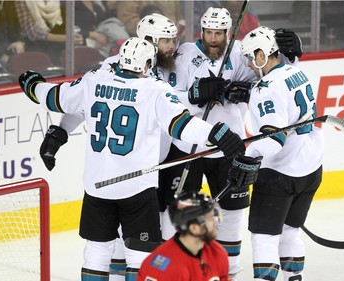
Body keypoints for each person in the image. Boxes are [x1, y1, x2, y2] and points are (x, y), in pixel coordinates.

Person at [18, 36, 246, 281]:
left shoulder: (94, 80)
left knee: (95, 255)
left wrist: (32, 83)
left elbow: (53, 98)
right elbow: (182, 127)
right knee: (139, 259)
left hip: (97, 187)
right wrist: (215, 133)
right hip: (137, 190)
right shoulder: (155, 90)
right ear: (148, 64)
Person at [160, 7, 304, 280]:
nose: (213, 39)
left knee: (233, 216)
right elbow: (161, 96)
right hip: (188, 148)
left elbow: (271, 80)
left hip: (230, 147)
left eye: (219, 33)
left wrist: (243, 90)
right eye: (209, 32)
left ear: (228, 33)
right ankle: (174, 272)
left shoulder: (242, 52)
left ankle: (229, 274)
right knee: (177, 215)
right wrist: (193, 94)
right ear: (200, 31)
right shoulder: (184, 54)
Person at [38, 13, 180, 281]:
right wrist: (60, 131)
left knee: (156, 236)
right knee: (115, 243)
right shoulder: (110, 67)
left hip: (163, 162)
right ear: (149, 41)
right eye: (166, 40)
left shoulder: (173, 64)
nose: (173, 45)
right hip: (130, 168)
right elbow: (84, 104)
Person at [240, 26, 324, 281]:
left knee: (264, 237)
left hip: (280, 173)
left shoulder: (265, 88)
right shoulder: (297, 72)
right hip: (311, 169)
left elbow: (273, 138)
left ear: (263, 54)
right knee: (290, 232)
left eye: (250, 57)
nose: (248, 64)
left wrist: (246, 158)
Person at [137, 191, 229, 281]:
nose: (215, 222)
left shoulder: (217, 252)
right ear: (194, 228)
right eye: (210, 219)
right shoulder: (164, 267)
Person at [15, 0, 84, 64]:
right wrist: (67, 38)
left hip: (61, 48)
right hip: (37, 48)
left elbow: (69, 24)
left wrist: (75, 37)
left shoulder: (59, 2)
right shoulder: (22, 1)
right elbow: (33, 33)